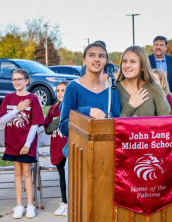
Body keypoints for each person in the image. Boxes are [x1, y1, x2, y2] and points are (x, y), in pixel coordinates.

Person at [60, 42, 120, 220]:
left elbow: (117, 122)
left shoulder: (111, 90)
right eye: (92, 55)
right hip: (79, 155)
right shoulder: (73, 87)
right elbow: (64, 125)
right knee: (80, 208)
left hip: (105, 156)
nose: (96, 59)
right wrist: (86, 111)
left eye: (101, 56)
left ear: (106, 61)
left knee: (103, 208)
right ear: (84, 60)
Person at [0, 69, 45, 219]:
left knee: (27, 173)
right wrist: (17, 109)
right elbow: (2, 120)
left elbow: (35, 124)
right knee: (17, 173)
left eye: (19, 79)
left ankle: (30, 205)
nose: (16, 82)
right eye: (14, 79)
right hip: (12, 141)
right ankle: (19, 205)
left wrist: (28, 144)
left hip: (26, 142)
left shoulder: (33, 99)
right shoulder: (8, 98)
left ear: (27, 81)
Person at [116, 46, 170, 117]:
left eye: (133, 61)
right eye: (124, 61)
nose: (127, 65)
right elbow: (111, 124)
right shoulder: (114, 89)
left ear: (143, 66)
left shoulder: (154, 88)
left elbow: (167, 121)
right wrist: (130, 106)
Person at [44, 82, 68, 216]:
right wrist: (59, 118)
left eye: (63, 90)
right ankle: (64, 202)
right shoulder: (53, 109)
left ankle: (70, 203)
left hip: (69, 147)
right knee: (61, 175)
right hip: (57, 145)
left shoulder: (73, 107)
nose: (60, 93)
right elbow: (47, 129)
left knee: (70, 175)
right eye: (58, 90)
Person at [148, 36, 172, 108]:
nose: (158, 47)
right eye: (156, 45)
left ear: (166, 47)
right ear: (153, 47)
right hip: (150, 103)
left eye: (161, 45)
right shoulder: (146, 61)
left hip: (171, 103)